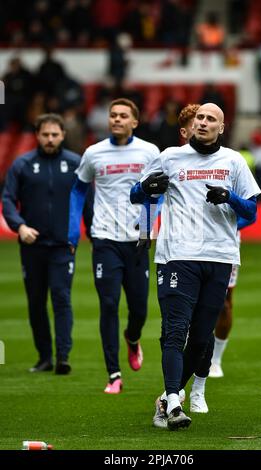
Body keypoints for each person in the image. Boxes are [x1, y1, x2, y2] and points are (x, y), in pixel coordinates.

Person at [131, 103, 261, 430]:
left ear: (222, 127)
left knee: (202, 337)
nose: (203, 123)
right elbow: (138, 194)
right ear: (191, 125)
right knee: (175, 330)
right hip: (179, 255)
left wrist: (229, 197)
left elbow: (251, 212)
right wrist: (145, 191)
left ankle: (166, 398)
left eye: (210, 119)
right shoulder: (170, 157)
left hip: (219, 256)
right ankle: (175, 401)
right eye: (200, 117)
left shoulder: (233, 161)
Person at [68, 98, 160, 394]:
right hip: (104, 239)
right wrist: (74, 232)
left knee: (139, 310)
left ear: (135, 121)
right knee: (108, 304)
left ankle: (132, 339)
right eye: (113, 115)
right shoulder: (94, 153)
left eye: (123, 115)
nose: (117, 119)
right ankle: (113, 374)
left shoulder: (149, 152)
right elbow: (78, 190)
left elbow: (154, 193)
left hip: (136, 241)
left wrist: (147, 228)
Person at [2, 113, 93, 374]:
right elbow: (7, 200)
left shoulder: (76, 164)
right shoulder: (22, 164)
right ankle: (44, 357)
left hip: (64, 246)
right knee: (36, 301)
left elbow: (87, 201)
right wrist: (19, 226)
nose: (50, 139)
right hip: (32, 246)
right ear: (37, 135)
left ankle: (63, 356)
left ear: (63, 135)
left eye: (55, 134)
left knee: (61, 298)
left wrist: (94, 235)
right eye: (45, 134)